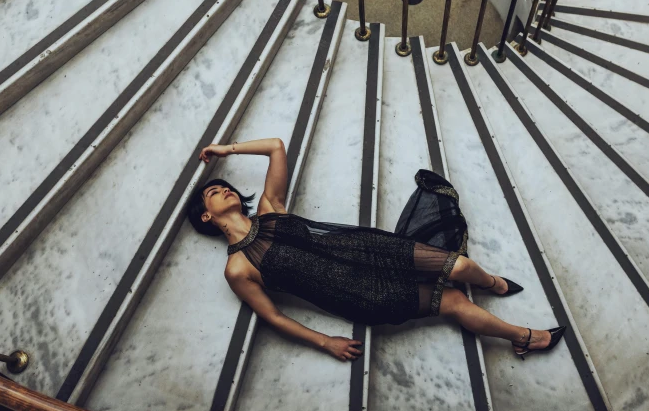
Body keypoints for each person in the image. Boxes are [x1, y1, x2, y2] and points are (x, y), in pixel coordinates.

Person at [186, 137, 566, 362]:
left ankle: (492, 282)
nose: (224, 189)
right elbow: (273, 317)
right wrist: (325, 342)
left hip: (366, 249)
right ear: (205, 217)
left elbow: (275, 146)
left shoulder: (269, 209)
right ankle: (524, 338)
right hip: (356, 292)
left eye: (225, 186)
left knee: (461, 267)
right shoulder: (237, 270)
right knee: (452, 302)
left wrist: (227, 150)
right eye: (212, 192)